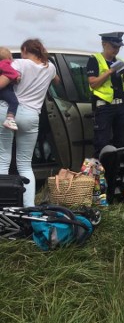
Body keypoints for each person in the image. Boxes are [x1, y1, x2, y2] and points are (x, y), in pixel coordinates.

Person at [0, 39, 58, 206]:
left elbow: (3, 82)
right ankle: (29, 207)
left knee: (3, 160)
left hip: (9, 112)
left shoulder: (19, 63)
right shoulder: (50, 67)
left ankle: (4, 207)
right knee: (25, 165)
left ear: (24, 49)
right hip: (31, 116)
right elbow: (57, 81)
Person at [86, 31, 124, 158]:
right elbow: (93, 83)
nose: (116, 50)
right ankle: (100, 176)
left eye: (118, 47)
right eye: (114, 47)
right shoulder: (94, 59)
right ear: (104, 44)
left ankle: (117, 175)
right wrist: (110, 71)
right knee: (102, 144)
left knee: (122, 143)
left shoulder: (121, 61)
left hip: (121, 107)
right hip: (104, 107)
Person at [0, 46, 21, 130]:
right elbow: (11, 72)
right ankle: (10, 119)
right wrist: (17, 77)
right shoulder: (5, 63)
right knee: (14, 102)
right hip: (4, 90)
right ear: (9, 57)